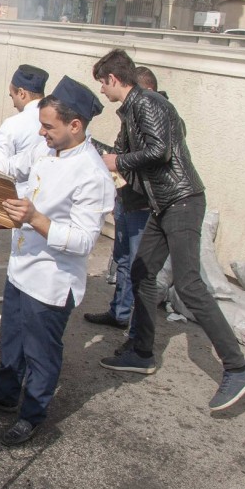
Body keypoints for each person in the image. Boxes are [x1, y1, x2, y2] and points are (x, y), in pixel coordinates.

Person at [0, 77, 114, 445]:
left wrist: (35, 219)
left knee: (40, 352)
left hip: (52, 280)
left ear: (75, 126)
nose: (41, 132)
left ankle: (32, 413)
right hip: (21, 266)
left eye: (48, 126)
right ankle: (4, 394)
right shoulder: (45, 149)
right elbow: (11, 168)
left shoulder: (92, 174)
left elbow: (85, 240)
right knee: (11, 338)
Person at [93, 49, 245, 411]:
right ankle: (142, 352)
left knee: (189, 284)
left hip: (181, 201)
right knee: (141, 272)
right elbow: (129, 154)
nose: (102, 93)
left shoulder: (147, 103)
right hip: (164, 204)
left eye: (102, 85)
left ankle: (238, 367)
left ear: (114, 79)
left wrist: (117, 160)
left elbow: (160, 150)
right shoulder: (133, 109)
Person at [84, 66, 161, 337]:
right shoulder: (132, 115)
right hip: (125, 199)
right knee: (122, 259)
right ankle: (119, 311)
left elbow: (151, 159)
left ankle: (136, 331)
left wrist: (119, 162)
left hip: (141, 203)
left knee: (137, 266)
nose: (104, 89)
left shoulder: (157, 117)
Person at [0, 64, 49, 195]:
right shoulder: (59, 122)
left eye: (12, 96)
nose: (13, 104)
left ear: (21, 93)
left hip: (17, 202)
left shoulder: (13, 124)